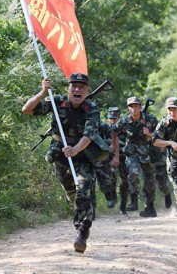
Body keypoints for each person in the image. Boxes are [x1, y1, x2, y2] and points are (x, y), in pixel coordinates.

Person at [22, 73, 114, 253]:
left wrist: (76, 149)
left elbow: (89, 135)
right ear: (68, 89)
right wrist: (42, 93)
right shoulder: (57, 102)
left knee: (84, 187)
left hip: (83, 153)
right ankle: (75, 200)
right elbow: (27, 109)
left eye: (82, 87)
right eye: (74, 86)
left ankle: (82, 231)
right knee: (70, 189)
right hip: (60, 152)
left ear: (87, 91)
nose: (77, 89)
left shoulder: (92, 108)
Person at [111, 96, 159, 217]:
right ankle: (133, 201)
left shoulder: (150, 119)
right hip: (132, 152)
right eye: (131, 106)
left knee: (149, 181)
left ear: (140, 107)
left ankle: (150, 207)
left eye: (136, 106)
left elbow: (161, 134)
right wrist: (113, 144)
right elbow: (113, 131)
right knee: (133, 173)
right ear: (128, 108)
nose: (134, 108)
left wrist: (149, 134)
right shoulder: (124, 121)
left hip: (147, 153)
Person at [98, 107, 130, 214]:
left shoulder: (125, 128)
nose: (113, 121)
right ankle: (113, 197)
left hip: (124, 157)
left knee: (125, 181)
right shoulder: (105, 129)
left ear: (119, 118)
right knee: (110, 176)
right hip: (110, 158)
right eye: (111, 119)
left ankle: (123, 206)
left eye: (115, 118)